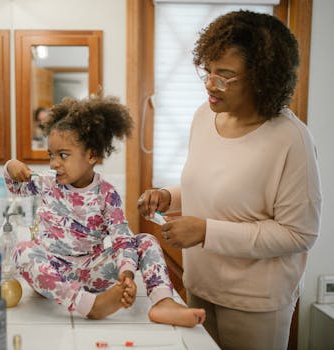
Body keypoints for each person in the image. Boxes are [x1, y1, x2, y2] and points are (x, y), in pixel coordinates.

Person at [137, 10, 321, 350]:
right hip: (201, 285)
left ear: (261, 78)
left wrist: (207, 231)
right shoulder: (205, 116)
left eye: (224, 75)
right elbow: (211, 187)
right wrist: (168, 196)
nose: (209, 83)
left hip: (255, 302)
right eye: (207, 70)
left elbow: (300, 233)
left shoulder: (290, 139)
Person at [5, 95, 205, 326]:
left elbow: (121, 239)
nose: (53, 164)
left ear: (91, 155)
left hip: (93, 272)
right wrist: (12, 165)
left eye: (63, 155)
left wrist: (126, 274)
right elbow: (14, 184)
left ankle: (162, 302)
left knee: (145, 241)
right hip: (54, 272)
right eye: (51, 155)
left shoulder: (107, 194)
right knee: (23, 250)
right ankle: (89, 305)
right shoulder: (46, 183)